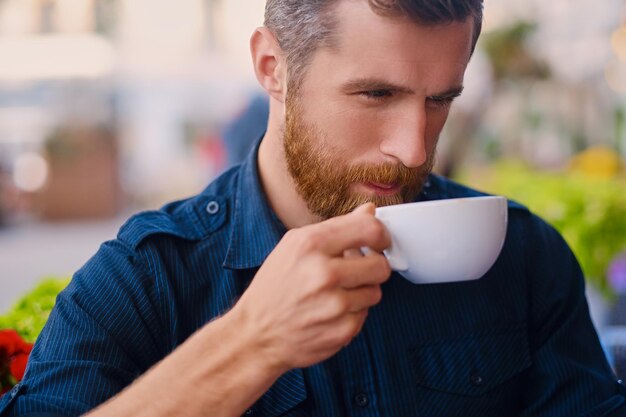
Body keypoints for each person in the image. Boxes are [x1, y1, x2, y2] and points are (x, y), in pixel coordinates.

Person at [1, 0, 625, 416]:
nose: (413, 149)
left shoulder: (520, 254)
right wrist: (250, 344)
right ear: (273, 67)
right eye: (376, 94)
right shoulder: (146, 278)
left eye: (440, 100)